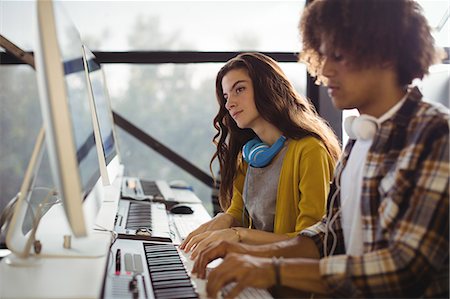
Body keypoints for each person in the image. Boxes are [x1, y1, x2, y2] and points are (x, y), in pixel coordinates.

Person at [191, 0, 449, 298]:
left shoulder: (435, 134)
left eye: (337, 55)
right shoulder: (360, 139)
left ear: (384, 51)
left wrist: (272, 269)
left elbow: (403, 269)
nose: (324, 69)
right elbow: (326, 236)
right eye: (323, 55)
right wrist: (243, 251)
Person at [180, 52, 341, 259]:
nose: (229, 104)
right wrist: (226, 219)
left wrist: (238, 235)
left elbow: (309, 245)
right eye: (227, 96)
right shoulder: (249, 154)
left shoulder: (310, 151)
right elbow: (238, 213)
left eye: (239, 89)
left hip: (287, 284)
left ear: (268, 86)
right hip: (253, 274)